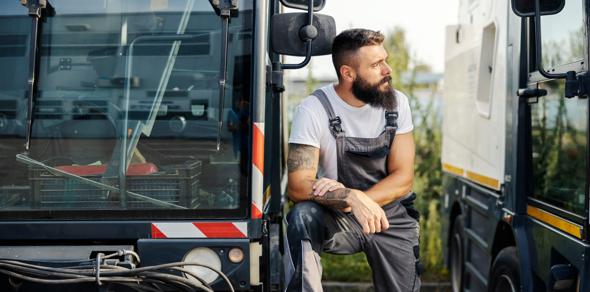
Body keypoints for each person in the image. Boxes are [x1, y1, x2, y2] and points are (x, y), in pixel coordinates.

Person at [285, 29, 421, 292]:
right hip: (337, 215)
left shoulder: (397, 104)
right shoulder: (313, 110)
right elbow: (298, 187)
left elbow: (403, 178)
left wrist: (364, 200)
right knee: (303, 216)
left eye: (385, 60)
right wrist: (350, 198)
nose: (387, 70)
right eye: (376, 65)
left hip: (390, 216)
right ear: (348, 73)